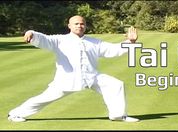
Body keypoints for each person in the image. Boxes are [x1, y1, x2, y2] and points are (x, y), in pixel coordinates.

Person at [7, 15, 139, 122]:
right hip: (67, 79)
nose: (79, 26)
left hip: (92, 77)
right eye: (76, 24)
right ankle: (15, 114)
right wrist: (32, 33)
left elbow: (112, 50)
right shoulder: (59, 40)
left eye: (82, 24)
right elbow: (44, 39)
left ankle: (118, 115)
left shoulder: (94, 42)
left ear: (85, 26)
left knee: (115, 85)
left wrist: (130, 42)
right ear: (69, 26)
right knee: (44, 98)